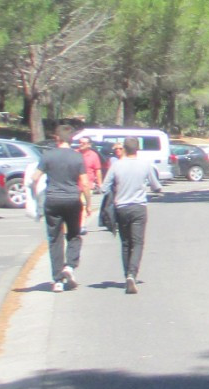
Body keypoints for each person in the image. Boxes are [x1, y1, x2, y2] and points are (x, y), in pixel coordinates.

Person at [26, 124, 91, 291]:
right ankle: (69, 266)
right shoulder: (77, 157)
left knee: (55, 239)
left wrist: (34, 196)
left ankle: (57, 281)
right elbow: (84, 183)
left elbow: (34, 178)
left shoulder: (48, 156)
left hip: (53, 200)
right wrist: (88, 203)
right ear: (71, 140)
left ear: (57, 138)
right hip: (72, 199)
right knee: (74, 234)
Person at [99, 135, 163, 294]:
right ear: (138, 150)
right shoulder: (145, 165)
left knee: (126, 242)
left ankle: (127, 274)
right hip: (139, 207)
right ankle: (132, 275)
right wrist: (154, 189)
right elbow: (156, 186)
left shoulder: (116, 166)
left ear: (125, 149)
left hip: (121, 207)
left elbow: (103, 187)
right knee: (138, 242)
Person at [77, 136, 105, 217]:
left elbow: (98, 170)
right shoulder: (75, 153)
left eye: (83, 143)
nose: (81, 144)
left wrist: (100, 184)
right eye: (80, 142)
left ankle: (82, 226)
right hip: (75, 185)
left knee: (84, 205)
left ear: (89, 145)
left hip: (88, 186)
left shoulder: (94, 155)